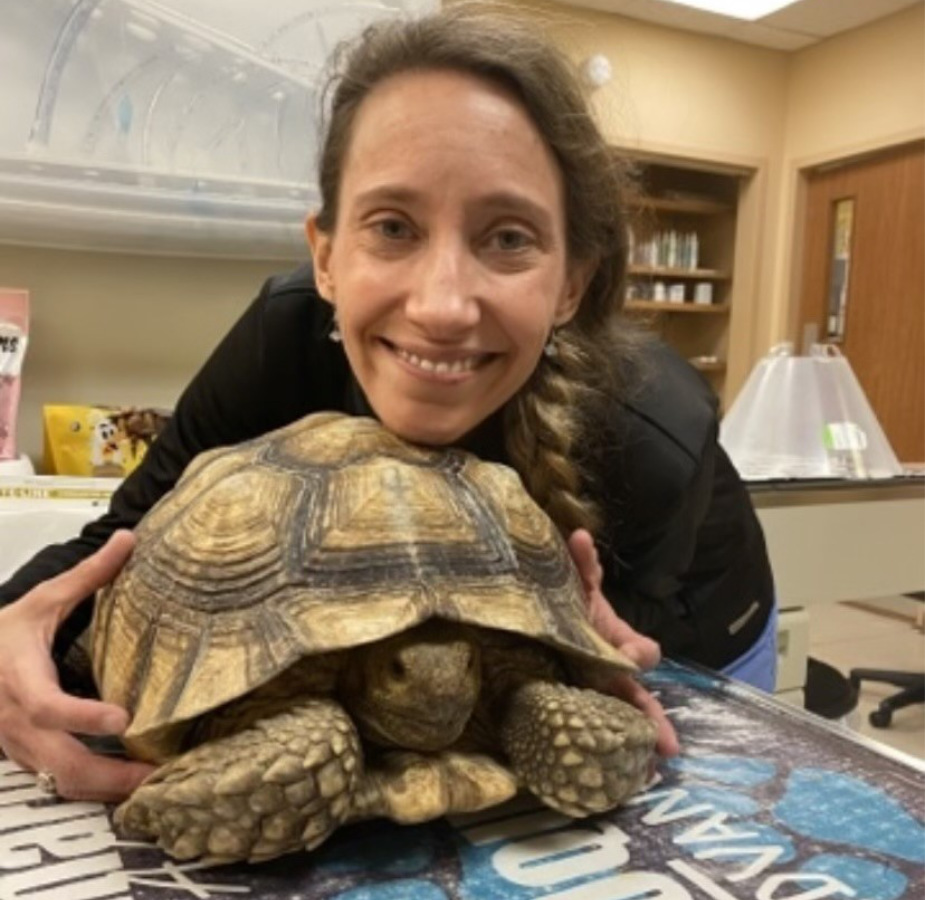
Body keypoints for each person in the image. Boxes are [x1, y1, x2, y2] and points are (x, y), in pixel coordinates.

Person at [0, 7, 775, 802]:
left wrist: (586, 658)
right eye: (393, 227)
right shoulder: (282, 340)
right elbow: (117, 546)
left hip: (703, 611)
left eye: (508, 237)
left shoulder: (648, 433)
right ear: (326, 256)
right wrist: (10, 630)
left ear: (572, 281)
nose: (442, 306)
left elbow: (620, 667)